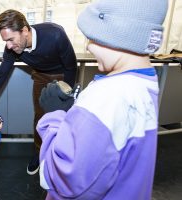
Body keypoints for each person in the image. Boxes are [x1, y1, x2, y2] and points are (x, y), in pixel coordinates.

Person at [37, 0, 168, 199]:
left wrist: (54, 118)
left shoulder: (108, 96)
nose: (89, 46)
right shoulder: (145, 82)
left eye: (93, 37)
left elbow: (66, 180)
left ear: (120, 36)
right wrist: (75, 113)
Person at [0, 9, 78, 175]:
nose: (8, 46)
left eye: (11, 39)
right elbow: (1, 75)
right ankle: (39, 152)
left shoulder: (55, 34)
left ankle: (62, 156)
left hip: (63, 74)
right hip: (40, 76)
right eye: (5, 41)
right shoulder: (12, 48)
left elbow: (71, 66)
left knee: (64, 118)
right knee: (40, 117)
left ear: (25, 31)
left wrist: (66, 95)